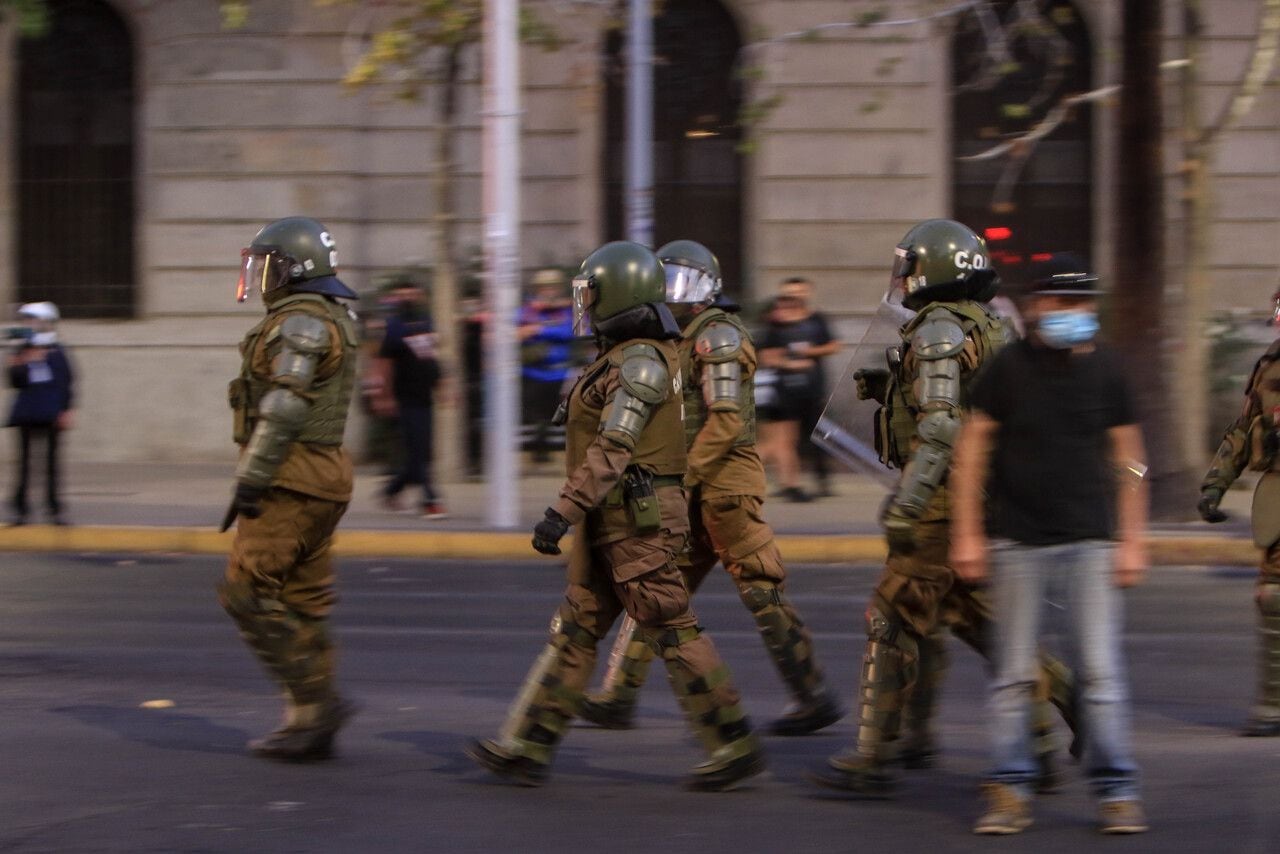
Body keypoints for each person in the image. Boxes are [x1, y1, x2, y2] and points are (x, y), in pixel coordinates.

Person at [466, 241, 764, 790]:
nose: (584, 304)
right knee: (577, 627)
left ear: (620, 295)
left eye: (591, 293)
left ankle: (733, 740)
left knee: (669, 625)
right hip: (612, 515)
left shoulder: (642, 363)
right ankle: (528, 743)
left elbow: (613, 449)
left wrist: (561, 512)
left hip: (636, 517)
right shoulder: (625, 355)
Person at [809, 219, 1076, 797]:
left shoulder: (938, 329)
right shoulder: (983, 322)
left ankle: (873, 757)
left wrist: (910, 502)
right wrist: (889, 387)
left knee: (892, 616)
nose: (903, 276)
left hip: (943, 502)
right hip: (977, 499)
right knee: (980, 623)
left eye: (909, 264)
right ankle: (1050, 735)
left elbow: (941, 428)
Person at [578, 240, 842, 735]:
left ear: (706, 287)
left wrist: (681, 477)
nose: (672, 291)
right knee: (655, 591)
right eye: (666, 279)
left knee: (762, 592)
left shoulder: (716, 334)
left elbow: (723, 423)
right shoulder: (675, 338)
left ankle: (813, 694)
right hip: (691, 491)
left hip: (724, 489)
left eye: (681, 280)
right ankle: (618, 694)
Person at [950, 260, 1149, 835]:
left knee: (1100, 673)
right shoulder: (1007, 368)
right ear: (1037, 307)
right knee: (1013, 675)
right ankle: (1011, 790)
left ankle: (1116, 790)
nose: (1072, 316)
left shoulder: (1109, 370)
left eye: (1082, 306)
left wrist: (1133, 537)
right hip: (1018, 542)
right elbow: (973, 450)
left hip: (1090, 541)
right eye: (1062, 306)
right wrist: (968, 532)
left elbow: (1130, 457)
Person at [219, 216, 360, 761]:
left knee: (247, 592)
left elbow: (283, 407)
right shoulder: (330, 317)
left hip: (291, 476)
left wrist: (251, 478)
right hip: (324, 477)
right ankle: (306, 724)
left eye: (266, 266)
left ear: (290, 269)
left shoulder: (300, 323)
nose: (260, 278)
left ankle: (317, 699)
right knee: (303, 599)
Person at [1199, 281, 1280, 738]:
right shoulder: (1269, 365)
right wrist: (1215, 485)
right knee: (1272, 597)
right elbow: (1242, 429)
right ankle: (1273, 706)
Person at [758, 277, 841, 500]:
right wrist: (791, 362)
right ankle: (785, 484)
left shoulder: (816, 320)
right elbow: (767, 355)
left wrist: (807, 353)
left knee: (802, 438)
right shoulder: (774, 324)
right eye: (787, 297)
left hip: (811, 389)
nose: (792, 301)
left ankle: (796, 483)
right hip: (781, 391)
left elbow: (833, 346)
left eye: (796, 295)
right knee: (780, 441)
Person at [376, 281, 446, 519]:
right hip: (404, 397)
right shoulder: (394, 327)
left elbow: (433, 358)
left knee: (420, 451)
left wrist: (443, 386)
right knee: (419, 452)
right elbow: (385, 363)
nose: (407, 295)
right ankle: (430, 500)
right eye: (402, 291)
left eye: (411, 291)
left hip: (425, 396)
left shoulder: (427, 323)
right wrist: (384, 396)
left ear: (419, 294)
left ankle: (391, 489)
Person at [6, 301, 73, 526]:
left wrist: (66, 410)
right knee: (25, 464)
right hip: (27, 412)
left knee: (51, 464)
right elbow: (14, 382)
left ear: (46, 323)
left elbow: (67, 381)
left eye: (33, 320)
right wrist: (20, 363)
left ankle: (54, 510)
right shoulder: (22, 349)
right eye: (27, 320)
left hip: (51, 412)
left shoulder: (58, 350)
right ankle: (20, 510)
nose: (29, 324)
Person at [518, 269, 576, 465]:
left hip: (559, 374)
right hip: (532, 373)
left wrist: (537, 330)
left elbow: (569, 331)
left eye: (553, 287)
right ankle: (529, 456)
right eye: (545, 287)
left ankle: (560, 457)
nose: (549, 291)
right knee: (530, 418)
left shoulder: (567, 310)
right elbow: (514, 332)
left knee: (559, 417)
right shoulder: (528, 310)